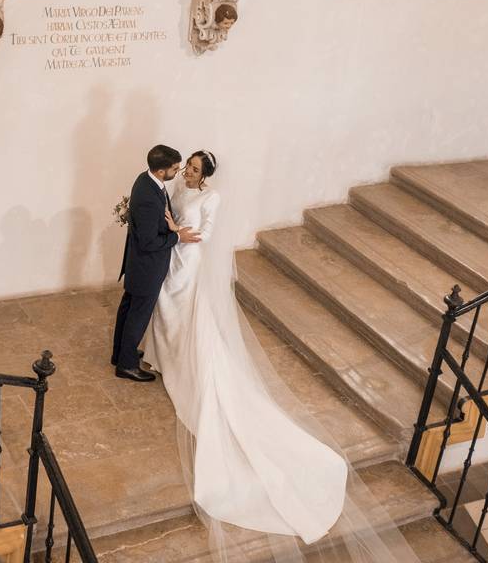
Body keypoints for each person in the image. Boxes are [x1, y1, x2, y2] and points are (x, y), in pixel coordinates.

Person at [142, 151, 421, 562]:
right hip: (173, 255)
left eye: (196, 169)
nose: (189, 172)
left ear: (208, 175)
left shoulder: (211, 199)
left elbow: (204, 235)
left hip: (189, 258)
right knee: (165, 309)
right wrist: (169, 229)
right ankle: (163, 353)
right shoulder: (179, 187)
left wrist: (176, 231)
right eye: (188, 166)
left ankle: (183, 362)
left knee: (185, 314)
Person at [112, 145, 201, 382]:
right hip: (146, 266)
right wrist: (177, 236)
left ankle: (120, 355)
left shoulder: (146, 180)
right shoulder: (150, 197)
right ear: (162, 171)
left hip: (137, 263)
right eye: (175, 168)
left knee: (128, 308)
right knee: (137, 315)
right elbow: (150, 241)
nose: (179, 171)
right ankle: (127, 365)